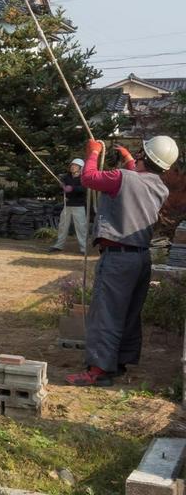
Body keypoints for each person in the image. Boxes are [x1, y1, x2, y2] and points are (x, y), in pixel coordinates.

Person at [66, 134, 179, 387]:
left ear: (143, 155)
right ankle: (118, 363)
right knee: (128, 313)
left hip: (118, 259)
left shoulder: (122, 179)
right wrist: (129, 158)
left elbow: (88, 178)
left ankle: (98, 371)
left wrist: (92, 153)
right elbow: (136, 180)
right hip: (140, 259)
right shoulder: (158, 186)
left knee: (106, 314)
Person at [51, 158, 88, 254]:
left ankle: (83, 248)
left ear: (80, 168)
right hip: (67, 205)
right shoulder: (67, 177)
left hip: (79, 206)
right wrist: (62, 185)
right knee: (63, 226)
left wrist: (72, 188)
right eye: (72, 165)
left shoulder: (83, 178)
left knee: (81, 227)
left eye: (75, 166)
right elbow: (62, 186)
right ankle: (58, 245)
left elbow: (83, 189)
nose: (73, 167)